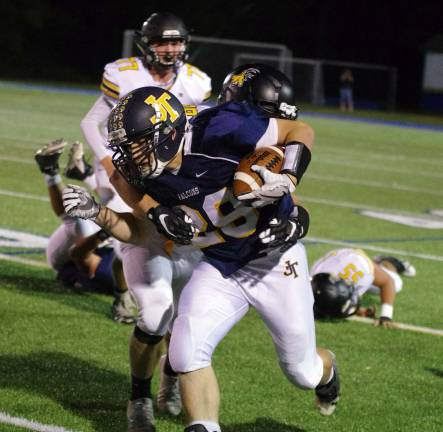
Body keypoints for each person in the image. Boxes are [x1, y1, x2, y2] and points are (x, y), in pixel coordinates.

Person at [63, 78, 341, 432]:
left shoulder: (219, 127)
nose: (129, 157)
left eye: (137, 146)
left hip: (274, 260)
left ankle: (327, 370)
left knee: (302, 372)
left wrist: (289, 178)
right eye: (126, 147)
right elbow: (141, 234)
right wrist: (98, 212)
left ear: (166, 134)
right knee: (183, 352)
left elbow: (299, 129)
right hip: (220, 265)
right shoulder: (139, 178)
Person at [79, 11, 212, 430]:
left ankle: (171, 379)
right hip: (134, 190)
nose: (170, 49)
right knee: (157, 310)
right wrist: (110, 168)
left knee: (187, 312)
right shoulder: (122, 74)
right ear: (146, 44)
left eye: (176, 42)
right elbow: (91, 121)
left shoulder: (198, 82)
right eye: (162, 42)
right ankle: (139, 399)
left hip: (179, 196)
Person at [34, 139, 137, 323]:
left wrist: (106, 232)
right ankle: (84, 173)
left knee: (78, 222)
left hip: (64, 259)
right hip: (98, 243)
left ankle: (50, 171)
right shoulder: (137, 261)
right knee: (121, 208)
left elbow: (79, 255)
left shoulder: (112, 273)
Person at [310, 248, 416, 328]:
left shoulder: (362, 271)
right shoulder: (314, 279)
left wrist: (386, 315)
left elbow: (388, 282)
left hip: (356, 259)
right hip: (338, 264)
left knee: (397, 284)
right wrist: (358, 310)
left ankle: (387, 262)